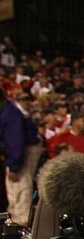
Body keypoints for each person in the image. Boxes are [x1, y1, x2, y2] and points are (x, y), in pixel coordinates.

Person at [0, 93, 44, 228]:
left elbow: (16, 142)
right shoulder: (9, 107)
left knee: (19, 186)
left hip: (24, 151)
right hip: (23, 149)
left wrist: (14, 166)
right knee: (17, 189)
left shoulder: (10, 114)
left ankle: (21, 227)